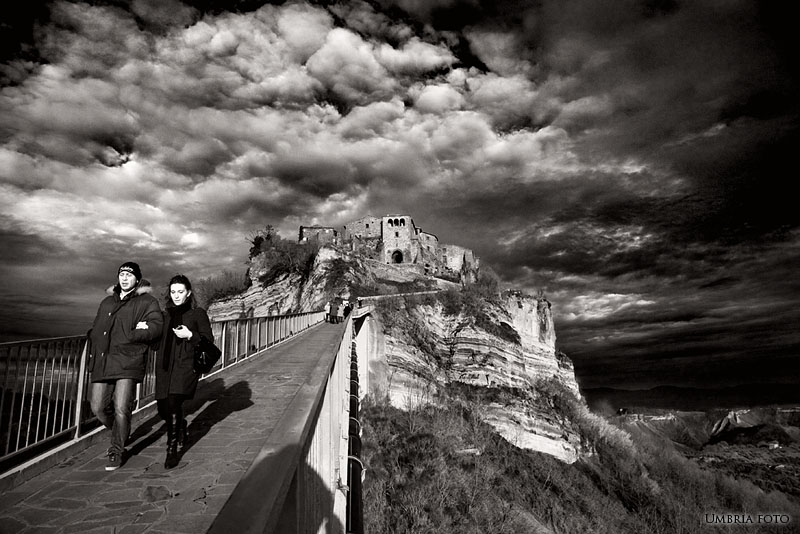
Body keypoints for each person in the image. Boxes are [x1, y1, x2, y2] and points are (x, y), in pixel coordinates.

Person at [88, 262, 163, 471]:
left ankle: (116, 450)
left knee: (121, 407)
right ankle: (120, 432)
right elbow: (97, 328)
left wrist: (135, 333)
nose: (124, 277)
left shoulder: (147, 301)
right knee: (97, 407)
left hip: (129, 359)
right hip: (104, 361)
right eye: (121, 274)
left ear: (137, 279)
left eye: (129, 275)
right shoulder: (106, 302)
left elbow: (156, 326)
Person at [155, 274, 214, 469]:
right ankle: (180, 425)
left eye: (180, 292)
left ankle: (171, 450)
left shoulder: (197, 314)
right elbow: (156, 341)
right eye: (173, 292)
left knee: (173, 402)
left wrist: (190, 335)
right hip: (164, 368)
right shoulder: (165, 315)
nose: (176, 295)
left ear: (188, 293)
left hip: (186, 366)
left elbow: (208, 340)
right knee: (163, 408)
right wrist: (145, 329)